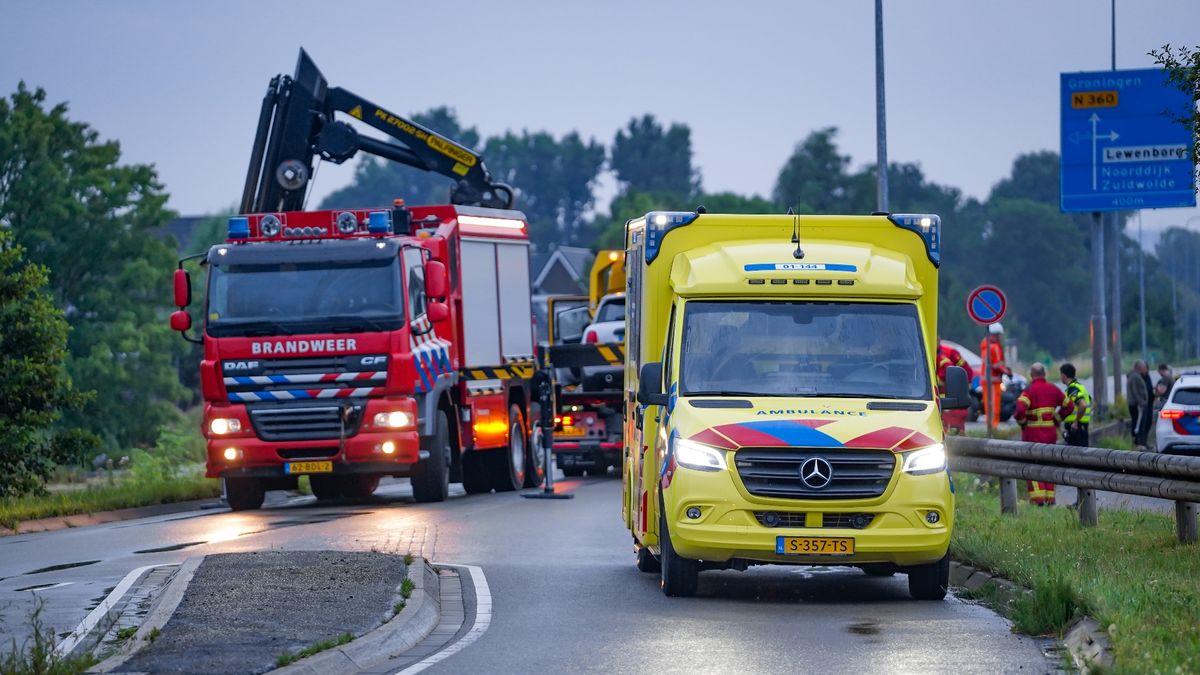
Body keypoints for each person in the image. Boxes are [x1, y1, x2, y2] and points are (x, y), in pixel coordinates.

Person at [1014, 363, 1073, 506]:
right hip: (1050, 433)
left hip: (1033, 433)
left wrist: (1023, 423)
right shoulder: (1053, 389)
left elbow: (1019, 411)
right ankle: (1050, 498)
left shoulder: (1029, 391)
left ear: (1031, 375)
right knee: (1049, 464)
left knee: (1033, 465)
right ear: (1045, 374)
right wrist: (1057, 419)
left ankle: (1038, 499)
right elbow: (1069, 406)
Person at [978, 323, 1010, 428]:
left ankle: (991, 427)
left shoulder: (986, 345)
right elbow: (996, 365)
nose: (1000, 337)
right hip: (992, 381)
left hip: (989, 381)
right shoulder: (993, 347)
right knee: (993, 406)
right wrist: (1007, 372)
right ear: (995, 335)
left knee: (990, 406)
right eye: (999, 335)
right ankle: (993, 427)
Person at [1059, 363, 1091, 448]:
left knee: (1074, 457)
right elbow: (1090, 402)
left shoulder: (1072, 389)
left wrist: (1076, 421)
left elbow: (1083, 405)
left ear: (1063, 375)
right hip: (1083, 427)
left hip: (1076, 429)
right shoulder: (1080, 387)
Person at [1127, 360, 1151, 449]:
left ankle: (1140, 442)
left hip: (1137, 404)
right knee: (1138, 423)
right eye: (1144, 368)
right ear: (1140, 368)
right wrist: (1141, 402)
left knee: (1139, 423)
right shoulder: (1135, 377)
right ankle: (1138, 443)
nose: (1146, 370)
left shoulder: (1135, 376)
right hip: (1137, 405)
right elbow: (1136, 392)